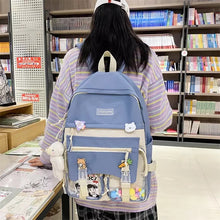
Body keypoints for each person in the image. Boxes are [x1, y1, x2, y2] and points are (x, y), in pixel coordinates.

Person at [29, 0, 172, 219]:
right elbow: (161, 121)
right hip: (133, 187)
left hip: (87, 186)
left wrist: (47, 157)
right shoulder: (145, 59)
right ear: (127, 20)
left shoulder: (73, 59)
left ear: (94, 21)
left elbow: (57, 118)